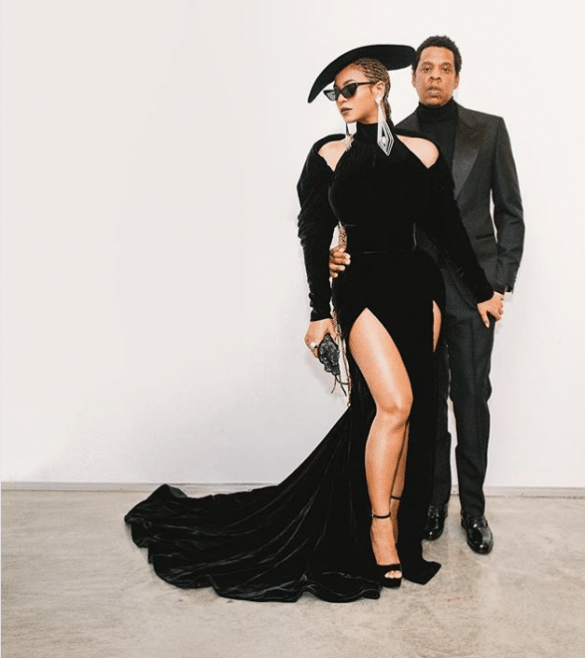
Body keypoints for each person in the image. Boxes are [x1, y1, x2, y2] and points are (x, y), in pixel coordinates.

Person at [124, 44, 501, 603]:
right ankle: (378, 529)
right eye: (334, 93)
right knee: (394, 404)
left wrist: (482, 292)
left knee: (409, 412)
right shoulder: (327, 155)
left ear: (379, 89)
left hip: (417, 290)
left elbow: (448, 230)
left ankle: (397, 526)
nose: (340, 100)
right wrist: (319, 310)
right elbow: (312, 235)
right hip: (361, 288)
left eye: (349, 89)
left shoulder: (422, 153)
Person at [330, 36, 524, 554]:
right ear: (411, 78)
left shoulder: (489, 130)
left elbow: (510, 213)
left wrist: (497, 284)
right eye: (426, 68)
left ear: (457, 77)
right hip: (413, 293)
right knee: (422, 405)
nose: (435, 75)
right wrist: (337, 252)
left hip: (474, 295)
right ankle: (431, 503)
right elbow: (363, 212)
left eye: (445, 68)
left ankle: (474, 511)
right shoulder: (395, 138)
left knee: (471, 400)